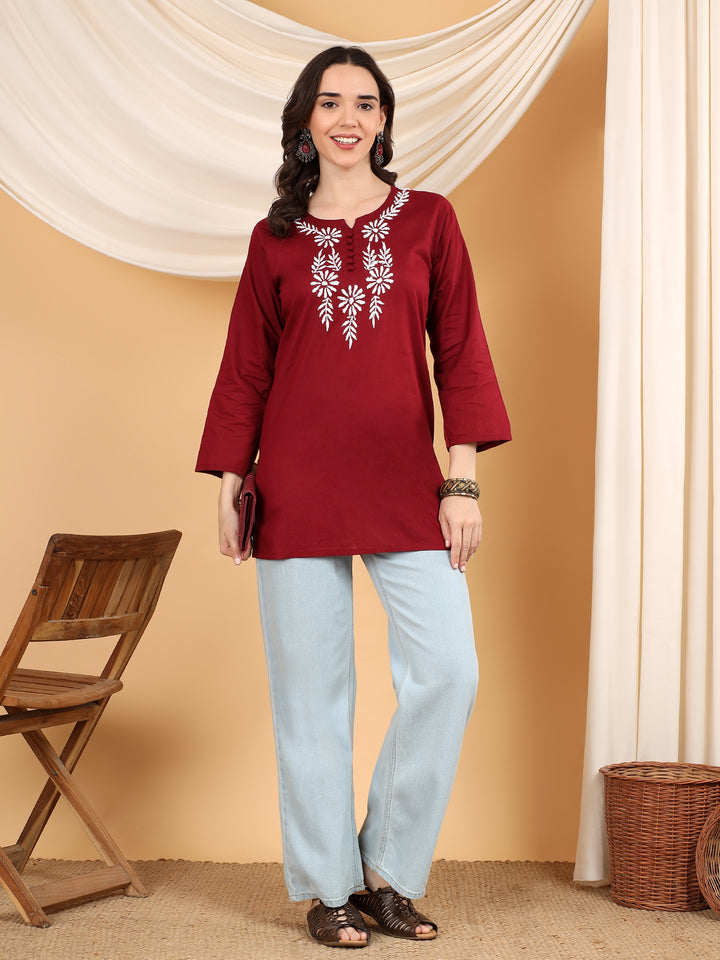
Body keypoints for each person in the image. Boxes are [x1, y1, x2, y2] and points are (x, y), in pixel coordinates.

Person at [196, 45, 511, 948]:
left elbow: (462, 352)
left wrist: (462, 481)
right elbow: (246, 368)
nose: (348, 118)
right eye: (330, 102)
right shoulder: (275, 240)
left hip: (407, 483)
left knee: (449, 672)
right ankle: (328, 887)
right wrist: (230, 484)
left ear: (383, 121)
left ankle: (384, 873)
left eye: (365, 103)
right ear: (306, 120)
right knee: (311, 700)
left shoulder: (430, 220)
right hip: (294, 486)